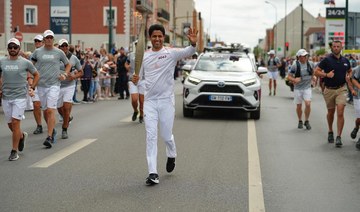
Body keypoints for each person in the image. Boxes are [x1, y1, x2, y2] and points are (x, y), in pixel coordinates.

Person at [133, 24, 198, 185]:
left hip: (166, 101)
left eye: (160, 36)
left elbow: (190, 52)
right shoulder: (143, 57)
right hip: (150, 102)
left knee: (166, 135)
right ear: (150, 38)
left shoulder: (171, 53)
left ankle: (172, 154)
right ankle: (153, 172)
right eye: (154, 36)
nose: (157, 39)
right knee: (151, 136)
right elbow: (138, 77)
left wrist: (193, 44)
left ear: (163, 37)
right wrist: (134, 79)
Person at [0, 38, 39, 160]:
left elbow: (36, 74)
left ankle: (14, 151)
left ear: (19, 48)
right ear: (8, 48)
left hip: (20, 97)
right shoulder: (2, 61)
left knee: (16, 123)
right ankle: (21, 136)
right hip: (6, 96)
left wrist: (32, 87)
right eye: (10, 47)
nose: (12, 49)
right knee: (11, 125)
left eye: (15, 47)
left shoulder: (25, 62)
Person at [31, 30, 71, 148]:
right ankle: (51, 129)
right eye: (46, 38)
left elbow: (68, 64)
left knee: (50, 110)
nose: (49, 39)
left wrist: (64, 74)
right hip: (41, 85)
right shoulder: (37, 52)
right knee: (45, 111)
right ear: (44, 40)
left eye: (50, 38)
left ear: (53, 39)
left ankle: (49, 137)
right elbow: (30, 65)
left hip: (54, 85)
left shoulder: (59, 52)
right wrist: (30, 78)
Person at [314, 40, 355, 147]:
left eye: (338, 46)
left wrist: (349, 76)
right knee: (331, 113)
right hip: (329, 89)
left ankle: (339, 137)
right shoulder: (326, 60)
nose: (336, 48)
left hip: (341, 89)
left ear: (341, 48)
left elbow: (350, 71)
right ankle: (330, 130)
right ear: (332, 48)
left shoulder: (346, 60)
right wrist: (326, 75)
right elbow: (316, 71)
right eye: (334, 46)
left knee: (340, 112)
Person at [57, 39, 83, 139]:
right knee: (60, 109)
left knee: (66, 107)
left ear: (68, 46)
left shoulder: (73, 58)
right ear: (59, 48)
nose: (64, 48)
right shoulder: (56, 57)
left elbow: (81, 72)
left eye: (66, 46)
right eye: (62, 46)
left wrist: (74, 77)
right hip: (57, 85)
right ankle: (67, 118)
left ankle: (64, 129)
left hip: (69, 85)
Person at [287, 49, 314, 130]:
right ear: (298, 57)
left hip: (307, 87)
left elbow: (313, 72)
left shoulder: (310, 63)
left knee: (308, 104)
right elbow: (289, 76)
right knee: (299, 106)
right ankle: (300, 121)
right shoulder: (295, 65)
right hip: (298, 88)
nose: (305, 57)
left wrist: (314, 78)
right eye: (303, 56)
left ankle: (306, 120)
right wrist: (294, 80)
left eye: (305, 56)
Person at [30, 34, 44, 135]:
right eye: (36, 41)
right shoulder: (32, 55)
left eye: (39, 41)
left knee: (48, 108)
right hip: (36, 83)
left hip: (47, 83)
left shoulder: (48, 52)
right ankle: (39, 125)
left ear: (43, 42)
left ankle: (51, 127)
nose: (37, 43)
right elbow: (29, 69)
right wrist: (30, 80)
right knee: (36, 104)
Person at [127, 44, 145, 123]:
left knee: (142, 101)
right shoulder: (131, 55)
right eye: (137, 45)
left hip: (143, 79)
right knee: (134, 99)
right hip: (132, 79)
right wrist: (127, 67)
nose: (138, 47)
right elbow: (126, 63)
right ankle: (135, 111)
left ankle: (141, 115)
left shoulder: (147, 54)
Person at [350, 63, 360, 149]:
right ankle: (356, 127)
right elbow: (353, 80)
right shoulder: (358, 69)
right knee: (359, 119)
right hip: (358, 96)